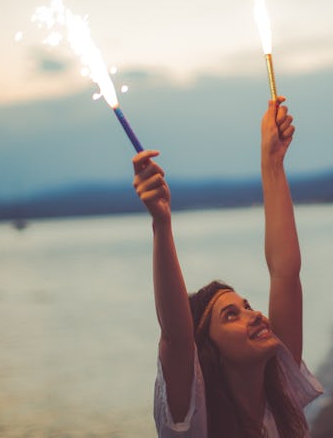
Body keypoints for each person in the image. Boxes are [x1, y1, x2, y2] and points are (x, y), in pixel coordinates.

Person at [132, 97, 322, 438]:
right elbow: (176, 336)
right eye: (231, 316)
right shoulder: (192, 425)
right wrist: (161, 222)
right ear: (206, 350)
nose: (253, 315)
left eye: (245, 306)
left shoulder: (279, 396)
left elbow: (285, 274)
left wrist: (273, 162)